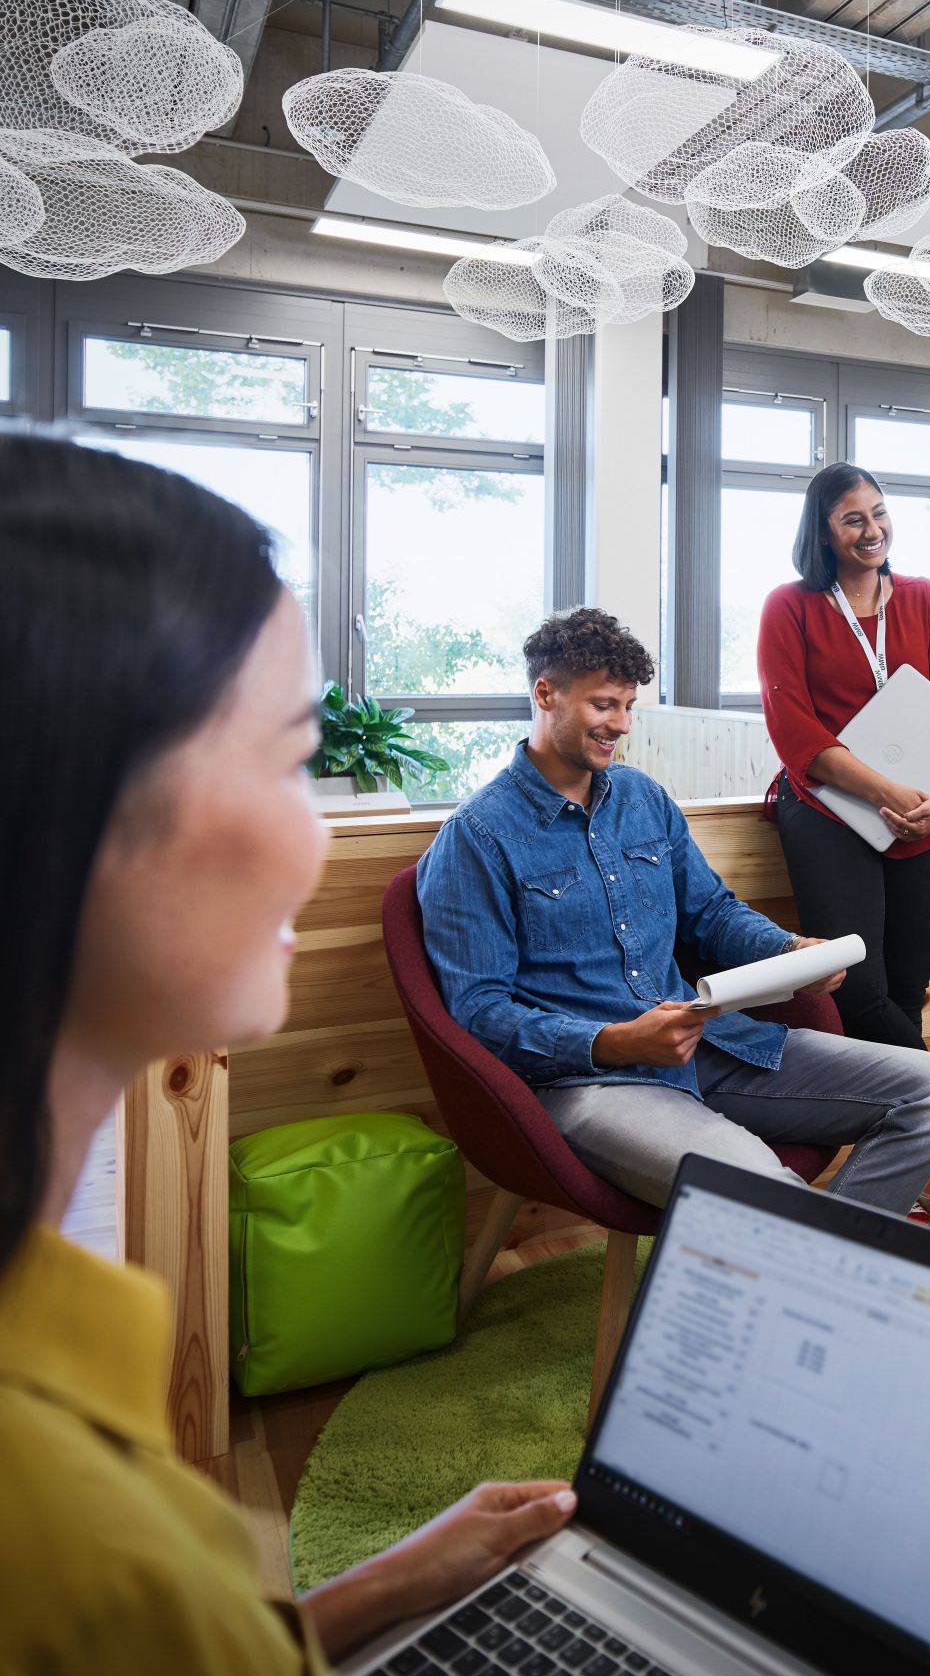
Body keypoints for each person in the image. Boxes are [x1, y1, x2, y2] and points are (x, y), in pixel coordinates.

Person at [0, 434, 581, 1673]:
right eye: (288, 757)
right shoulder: (72, 1548)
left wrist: (387, 1586)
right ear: (65, 798)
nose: (314, 842)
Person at [417, 606, 930, 1211]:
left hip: (711, 1048)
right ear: (545, 693)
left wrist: (788, 952)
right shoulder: (477, 836)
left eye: (628, 706)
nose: (620, 724)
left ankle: (829, 1269)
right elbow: (479, 1014)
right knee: (765, 1194)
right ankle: (830, 1274)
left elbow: (713, 916)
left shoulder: (643, 799)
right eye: (604, 704)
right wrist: (616, 1041)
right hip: (591, 1082)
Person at [758, 462, 930, 1050]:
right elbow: (794, 730)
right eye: (852, 519)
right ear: (823, 532)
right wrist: (886, 792)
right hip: (831, 815)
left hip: (927, 818)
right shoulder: (789, 606)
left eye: (879, 513)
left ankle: (916, 1135)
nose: (872, 529)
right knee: (855, 993)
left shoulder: (925, 598)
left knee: (907, 992)